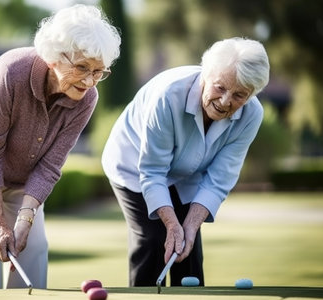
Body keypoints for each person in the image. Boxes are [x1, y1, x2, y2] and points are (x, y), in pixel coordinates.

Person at [0, 4, 120, 290]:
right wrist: (0, 225)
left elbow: (50, 165)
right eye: (82, 67)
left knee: (33, 244)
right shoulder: (12, 72)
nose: (89, 80)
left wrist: (25, 218)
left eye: (98, 72)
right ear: (54, 58)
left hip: (20, 172)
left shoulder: (87, 97)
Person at [101, 37, 269, 287]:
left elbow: (219, 179)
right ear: (206, 75)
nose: (225, 102)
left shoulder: (251, 114)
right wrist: (171, 223)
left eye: (239, 95)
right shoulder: (167, 96)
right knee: (154, 240)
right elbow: (153, 170)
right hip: (134, 166)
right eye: (220, 88)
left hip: (188, 175)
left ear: (251, 94)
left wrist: (189, 225)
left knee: (187, 247)